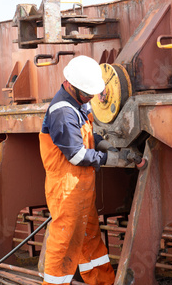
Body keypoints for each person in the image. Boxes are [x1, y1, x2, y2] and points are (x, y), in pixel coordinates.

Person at [39, 55, 116, 285]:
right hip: (66, 190)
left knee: (91, 239)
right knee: (64, 244)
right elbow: (77, 155)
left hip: (81, 190)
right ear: (71, 86)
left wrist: (103, 142)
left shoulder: (79, 103)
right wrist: (108, 157)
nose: (90, 98)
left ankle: (102, 282)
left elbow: (87, 137)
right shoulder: (62, 112)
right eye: (86, 94)